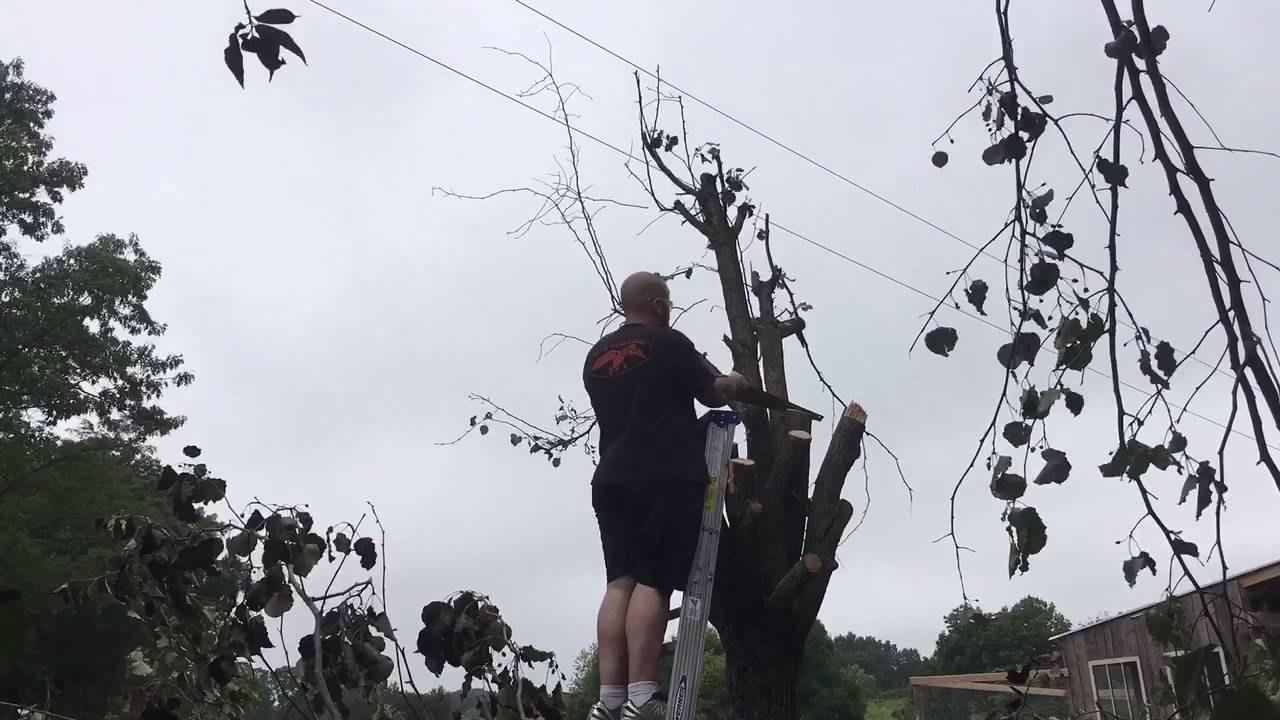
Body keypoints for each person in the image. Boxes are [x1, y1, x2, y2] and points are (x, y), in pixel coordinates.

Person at [582, 271, 749, 720]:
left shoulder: (595, 357)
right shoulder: (671, 343)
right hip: (665, 477)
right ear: (658, 304)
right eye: (668, 301)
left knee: (619, 582)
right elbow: (711, 392)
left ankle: (609, 700)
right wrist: (732, 380)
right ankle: (641, 698)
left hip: (612, 480)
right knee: (653, 583)